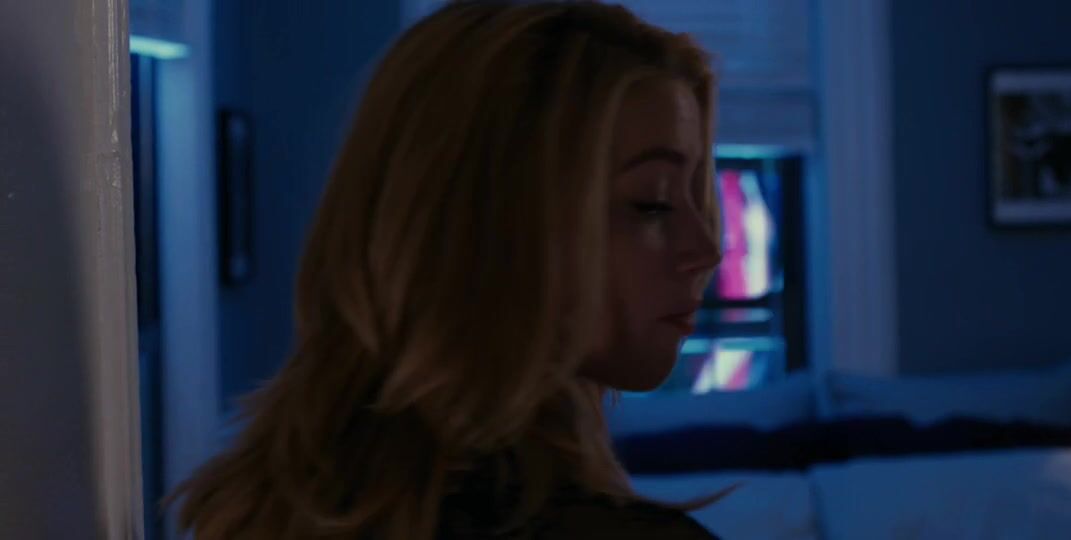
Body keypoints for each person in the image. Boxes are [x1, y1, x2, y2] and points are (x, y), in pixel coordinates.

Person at [168, 1, 724, 538]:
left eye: (696, 197)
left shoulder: (270, 513)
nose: (705, 249)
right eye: (652, 202)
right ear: (494, 226)